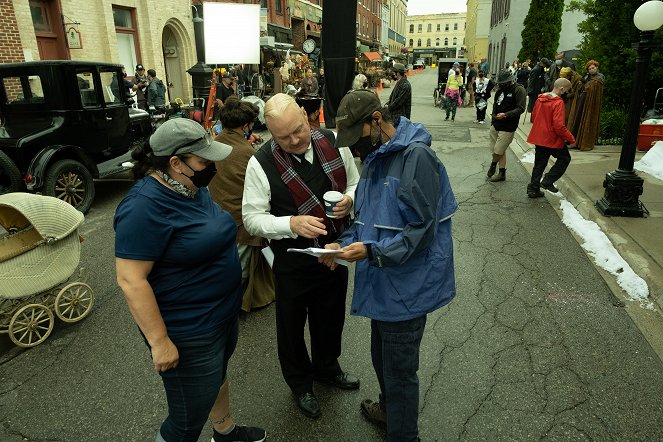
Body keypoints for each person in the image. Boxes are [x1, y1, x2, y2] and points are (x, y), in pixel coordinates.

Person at [114, 118, 265, 442]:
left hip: (220, 316)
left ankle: (225, 432)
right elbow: (130, 280)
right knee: (186, 419)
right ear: (175, 162)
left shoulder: (190, 187)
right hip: (188, 330)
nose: (211, 165)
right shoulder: (144, 207)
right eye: (203, 160)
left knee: (217, 379)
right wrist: (159, 342)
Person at [320, 89, 457, 442]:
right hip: (384, 284)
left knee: (399, 371)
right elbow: (368, 220)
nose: (356, 149)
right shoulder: (379, 154)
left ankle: (404, 435)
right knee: (382, 359)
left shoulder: (417, 158)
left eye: (358, 137)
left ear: (377, 120)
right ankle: (387, 410)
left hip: (406, 287)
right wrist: (342, 244)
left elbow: (421, 232)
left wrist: (370, 253)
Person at [242, 93, 361, 419]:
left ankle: (327, 367)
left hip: (334, 252)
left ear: (307, 117)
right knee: (291, 328)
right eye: (283, 137)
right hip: (292, 261)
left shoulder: (335, 141)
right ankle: (300, 384)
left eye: (299, 130)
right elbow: (252, 218)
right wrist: (290, 223)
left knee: (331, 316)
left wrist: (351, 200)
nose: (294, 140)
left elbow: (355, 182)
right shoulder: (260, 161)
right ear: (269, 132)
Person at [208, 96, 275, 312]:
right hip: (239, 217)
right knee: (240, 267)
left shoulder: (214, 143)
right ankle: (228, 306)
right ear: (245, 125)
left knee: (226, 261)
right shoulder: (246, 152)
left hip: (216, 212)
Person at [526, 78, 576, 198]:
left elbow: (534, 116)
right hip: (551, 138)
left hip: (539, 136)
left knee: (539, 164)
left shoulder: (540, 99)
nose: (567, 93)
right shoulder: (558, 102)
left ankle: (533, 189)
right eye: (567, 91)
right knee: (564, 158)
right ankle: (547, 181)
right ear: (562, 89)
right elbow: (559, 126)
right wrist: (571, 138)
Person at [486, 69, 527, 182]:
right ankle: (502, 173)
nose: (501, 85)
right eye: (500, 83)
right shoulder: (500, 90)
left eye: (503, 83)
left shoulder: (519, 90)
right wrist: (493, 118)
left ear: (510, 81)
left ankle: (493, 165)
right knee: (496, 149)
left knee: (498, 150)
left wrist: (506, 115)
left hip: (508, 126)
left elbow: (521, 108)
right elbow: (495, 104)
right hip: (496, 124)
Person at [567, 60, 605, 151]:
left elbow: (593, 90)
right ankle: (574, 141)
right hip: (582, 101)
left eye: (593, 68)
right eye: (590, 68)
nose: (592, 70)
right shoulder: (587, 77)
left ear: (597, 68)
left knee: (586, 120)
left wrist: (586, 85)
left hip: (590, 104)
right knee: (577, 119)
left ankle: (582, 142)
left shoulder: (599, 79)